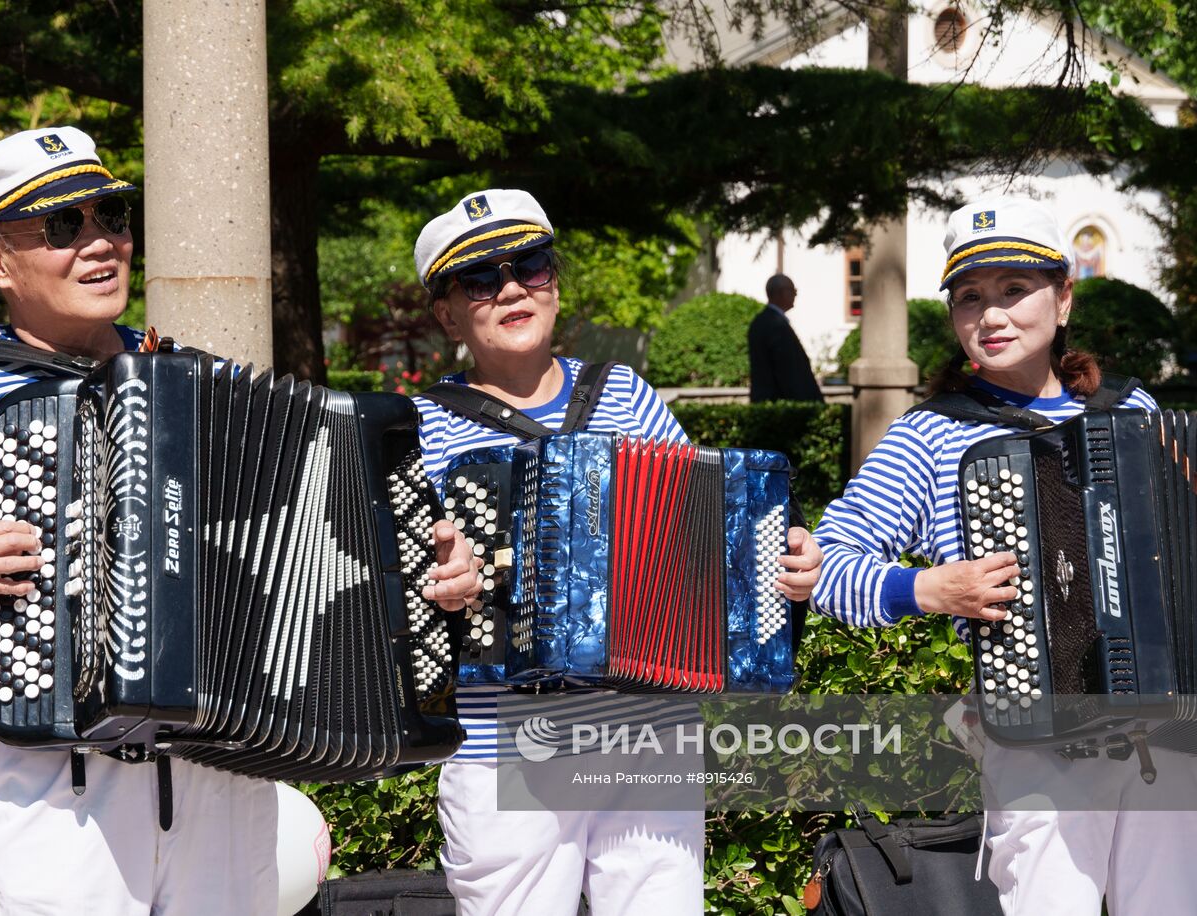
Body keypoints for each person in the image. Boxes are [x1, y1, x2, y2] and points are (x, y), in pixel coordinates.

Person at [0, 126, 481, 915]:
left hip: (226, 757)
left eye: (113, 217)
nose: (100, 243)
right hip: (62, 778)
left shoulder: (194, 380)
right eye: (64, 227)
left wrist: (432, 568)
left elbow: (338, 532)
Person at [410, 189, 824, 916]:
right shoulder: (419, 427)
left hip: (647, 732)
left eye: (530, 266)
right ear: (446, 313)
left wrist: (777, 565)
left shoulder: (624, 393)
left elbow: (711, 532)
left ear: (554, 281)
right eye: (480, 278)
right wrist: (439, 583)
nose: (512, 287)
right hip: (504, 746)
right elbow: (397, 591)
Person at [810, 195, 1197, 915]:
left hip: (1172, 737)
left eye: (1014, 291)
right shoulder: (931, 436)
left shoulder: (1134, 410)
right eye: (969, 298)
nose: (990, 316)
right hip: (1040, 744)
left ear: (1063, 297)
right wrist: (927, 589)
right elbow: (828, 562)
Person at [747, 273, 824, 402]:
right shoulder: (774, 324)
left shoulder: (764, 321)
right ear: (779, 293)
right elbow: (788, 370)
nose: (795, 295)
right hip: (779, 402)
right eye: (792, 290)